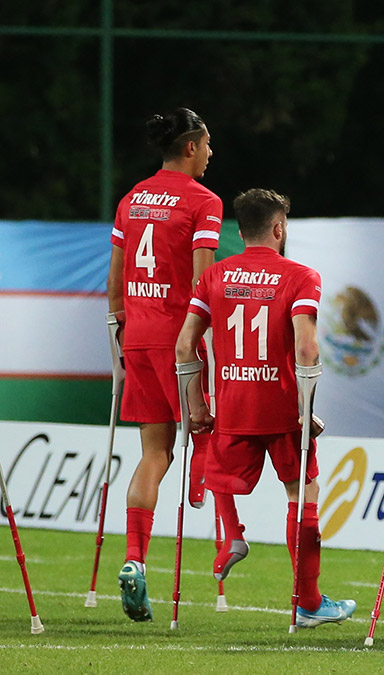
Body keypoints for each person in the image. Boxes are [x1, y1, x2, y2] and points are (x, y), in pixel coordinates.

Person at [175, 188, 356, 627]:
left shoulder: (213, 277)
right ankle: (308, 601)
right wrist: (304, 405)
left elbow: (184, 346)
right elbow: (308, 348)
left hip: (234, 407)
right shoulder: (301, 276)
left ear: (239, 232)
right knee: (302, 494)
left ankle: (233, 534)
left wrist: (198, 406)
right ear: (279, 229)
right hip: (281, 409)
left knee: (219, 473)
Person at [106, 107, 220, 622]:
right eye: (209, 144)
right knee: (211, 421)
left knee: (153, 452)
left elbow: (116, 275)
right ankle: (201, 469)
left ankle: (134, 560)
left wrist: (118, 329)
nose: (212, 154)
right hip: (179, 339)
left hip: (137, 336)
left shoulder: (132, 198)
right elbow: (204, 283)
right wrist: (205, 337)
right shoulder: (204, 202)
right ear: (191, 147)